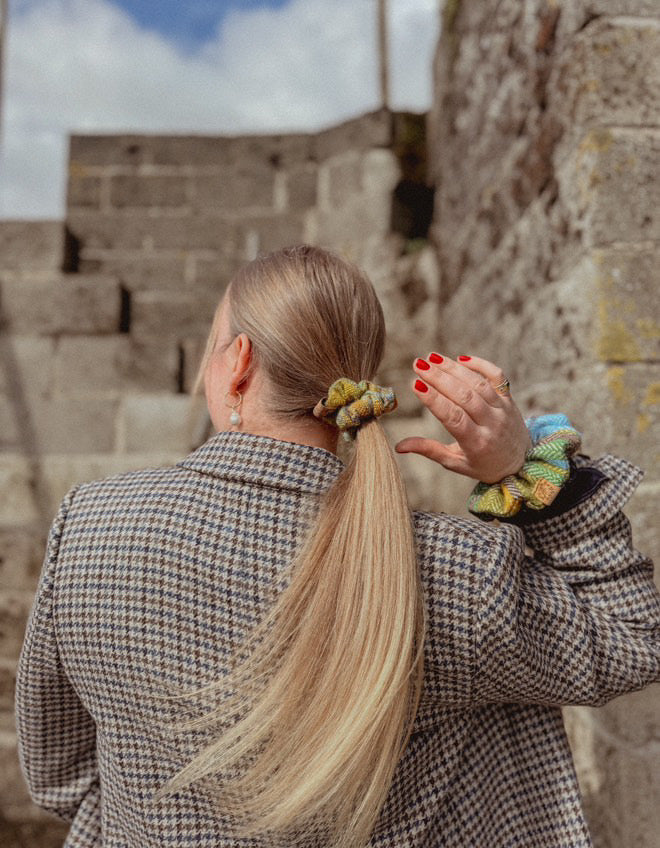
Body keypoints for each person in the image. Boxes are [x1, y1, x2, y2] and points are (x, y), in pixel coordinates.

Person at [15, 245, 660, 848]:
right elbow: (632, 640)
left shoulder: (92, 527)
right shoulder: (456, 572)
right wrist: (533, 476)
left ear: (237, 365)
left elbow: (60, 772)